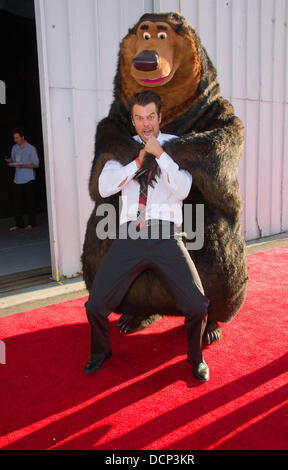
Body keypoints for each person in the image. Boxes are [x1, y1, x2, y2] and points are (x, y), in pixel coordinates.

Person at [84, 91, 210, 381]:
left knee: (197, 305)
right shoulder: (122, 150)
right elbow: (105, 187)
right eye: (139, 117)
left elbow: (183, 189)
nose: (145, 123)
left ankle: (195, 358)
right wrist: (138, 162)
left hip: (166, 235)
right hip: (130, 235)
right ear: (133, 120)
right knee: (95, 305)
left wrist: (161, 156)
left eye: (150, 116)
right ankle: (100, 352)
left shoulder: (176, 148)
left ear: (160, 118)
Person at [4, 128, 39, 231]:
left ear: (22, 137)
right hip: (17, 179)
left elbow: (36, 164)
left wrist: (22, 166)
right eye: (14, 138)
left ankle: (31, 223)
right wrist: (10, 161)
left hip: (28, 179)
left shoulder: (31, 148)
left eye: (17, 138)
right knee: (16, 203)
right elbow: (14, 161)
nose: (15, 140)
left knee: (30, 202)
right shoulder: (14, 148)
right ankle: (19, 224)